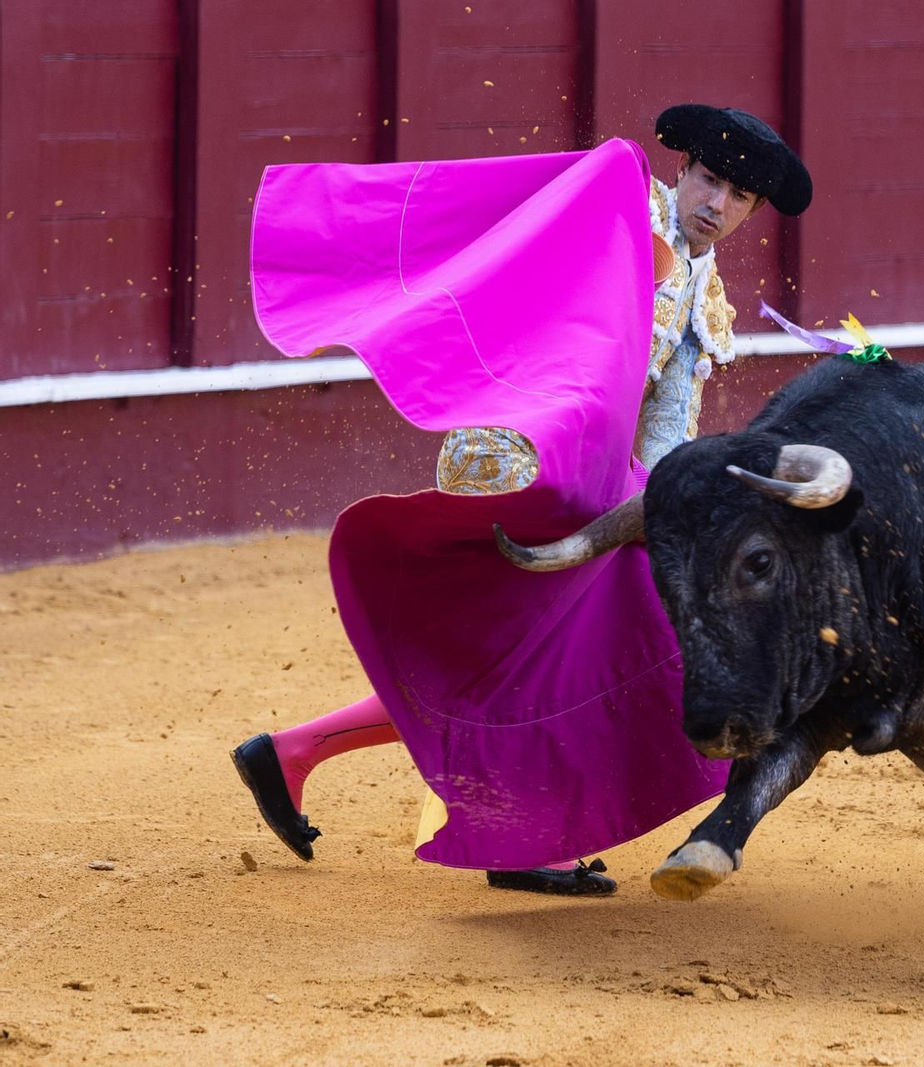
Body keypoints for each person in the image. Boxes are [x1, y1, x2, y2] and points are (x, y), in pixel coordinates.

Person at [232, 104, 812, 895]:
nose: (717, 204)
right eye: (709, 180)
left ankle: (297, 752)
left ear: (752, 210)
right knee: (534, 661)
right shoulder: (608, 213)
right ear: (682, 170)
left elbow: (665, 434)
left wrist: (676, 512)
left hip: (593, 481)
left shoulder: (702, 290)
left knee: (521, 662)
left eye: (738, 197)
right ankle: (502, 828)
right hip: (519, 455)